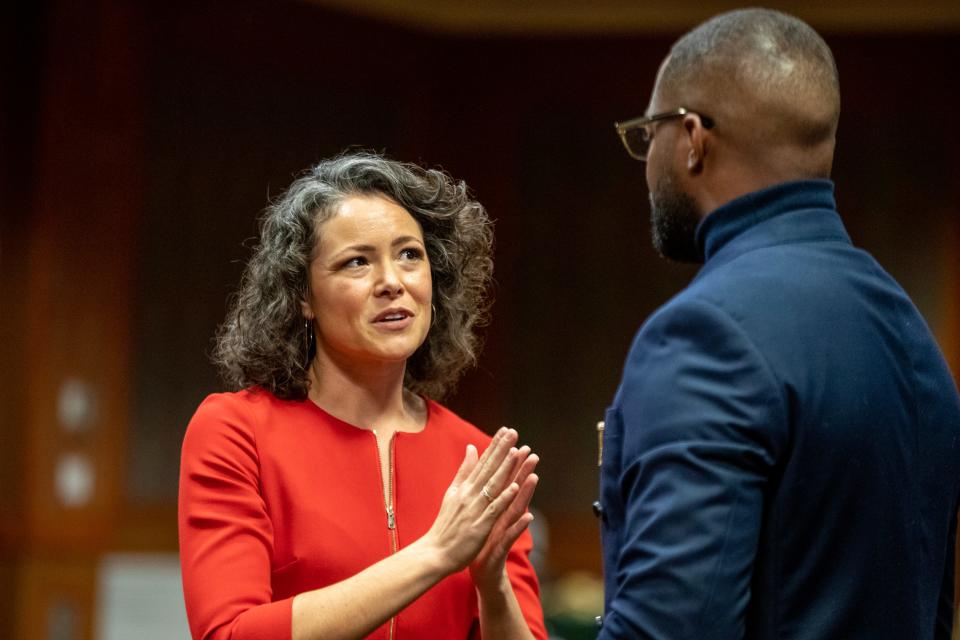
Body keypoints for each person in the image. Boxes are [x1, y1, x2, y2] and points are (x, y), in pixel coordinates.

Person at [598, 8, 960, 639]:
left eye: (647, 132)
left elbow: (672, 629)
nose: (646, 157)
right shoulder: (910, 331)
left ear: (692, 138)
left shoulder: (704, 335)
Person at [178, 151, 547, 640]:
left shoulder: (475, 459)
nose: (392, 282)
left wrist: (492, 583)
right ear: (303, 297)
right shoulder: (235, 431)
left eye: (409, 255)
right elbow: (230, 633)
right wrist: (435, 553)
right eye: (357, 262)